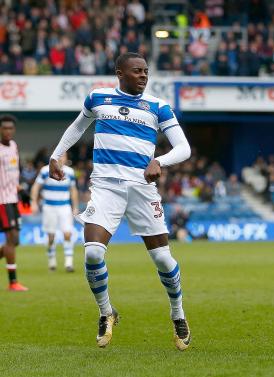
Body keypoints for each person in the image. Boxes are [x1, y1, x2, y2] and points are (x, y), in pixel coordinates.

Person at [48, 52, 192, 350]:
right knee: (92, 254)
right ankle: (106, 311)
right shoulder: (98, 98)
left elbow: (184, 148)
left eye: (146, 71)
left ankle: (177, 313)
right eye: (137, 71)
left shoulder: (158, 106)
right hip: (105, 188)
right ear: (120, 73)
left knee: (163, 259)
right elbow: (77, 127)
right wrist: (55, 155)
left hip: (142, 189)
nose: (143, 75)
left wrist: (160, 161)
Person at [30, 154, 79, 272]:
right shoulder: (45, 170)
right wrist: (33, 202)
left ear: (66, 158)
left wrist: (75, 207)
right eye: (60, 155)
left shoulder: (70, 172)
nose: (62, 158)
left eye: (64, 156)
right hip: (49, 207)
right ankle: (52, 261)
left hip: (64, 206)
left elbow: (73, 190)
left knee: (67, 233)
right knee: (51, 236)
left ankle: (69, 263)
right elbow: (36, 187)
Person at [0, 114, 28, 291]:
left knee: (15, 240)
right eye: (5, 128)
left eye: (11, 128)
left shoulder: (14, 147)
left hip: (12, 198)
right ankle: (13, 282)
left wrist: (20, 189)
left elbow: (12, 173)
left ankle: (13, 282)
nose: (8, 131)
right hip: (1, 200)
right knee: (11, 239)